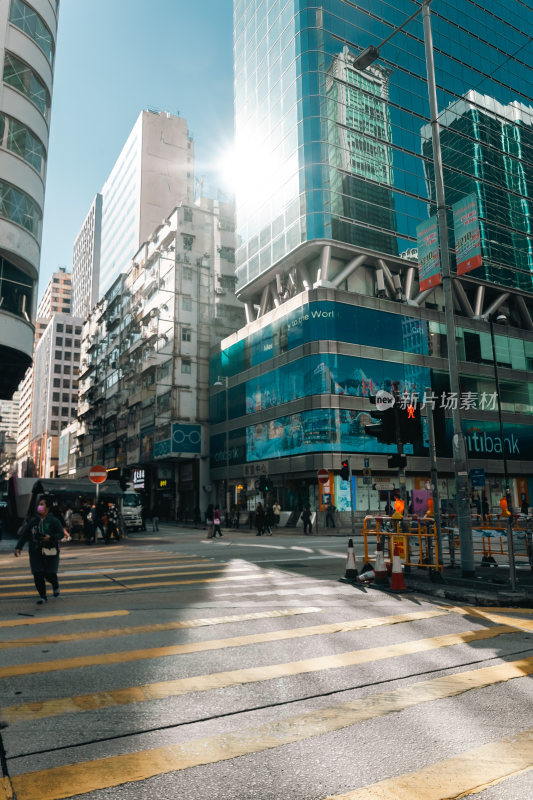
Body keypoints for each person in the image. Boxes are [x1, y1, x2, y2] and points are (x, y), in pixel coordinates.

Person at [14, 495, 64, 604]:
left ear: (48, 507)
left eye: (42, 504)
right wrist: (18, 547)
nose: (39, 506)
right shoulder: (33, 521)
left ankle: (55, 585)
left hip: (51, 552)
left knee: (50, 574)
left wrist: (51, 537)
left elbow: (61, 534)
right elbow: (25, 534)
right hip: (35, 551)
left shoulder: (54, 520)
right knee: (37, 573)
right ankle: (43, 596)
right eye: (39, 504)